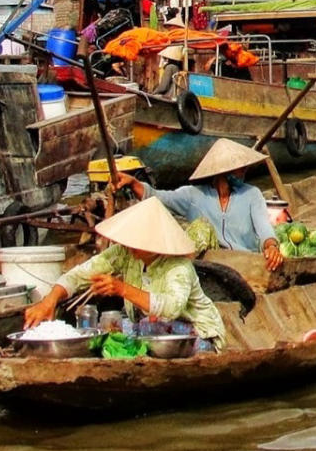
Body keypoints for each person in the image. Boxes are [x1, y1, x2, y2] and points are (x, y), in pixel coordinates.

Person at [22, 197, 228, 350]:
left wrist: (121, 289)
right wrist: (50, 300)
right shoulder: (124, 253)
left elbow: (171, 308)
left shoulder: (179, 267)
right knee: (105, 333)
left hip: (197, 333)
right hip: (150, 329)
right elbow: (79, 275)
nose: (130, 245)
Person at [113, 138, 283, 271]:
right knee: (201, 228)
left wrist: (271, 246)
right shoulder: (193, 195)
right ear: (224, 172)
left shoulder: (252, 194)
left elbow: (264, 228)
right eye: (240, 168)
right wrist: (133, 183)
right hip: (212, 264)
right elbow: (159, 197)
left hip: (247, 262)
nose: (244, 171)